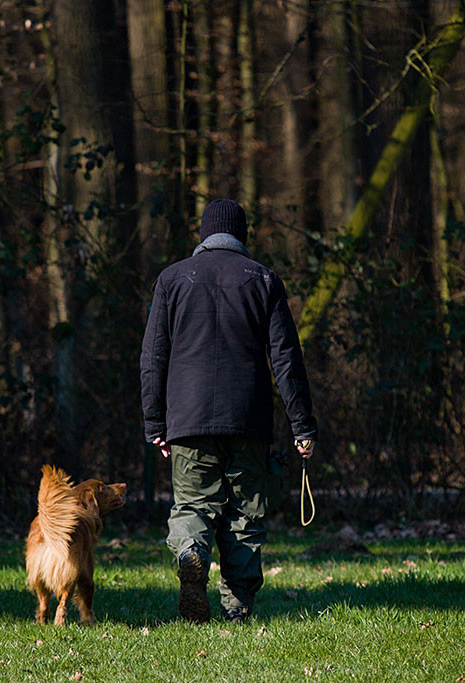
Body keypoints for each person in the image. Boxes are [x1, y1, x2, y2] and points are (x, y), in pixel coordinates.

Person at [140, 198, 318, 623]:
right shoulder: (263, 280)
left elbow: (152, 358)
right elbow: (286, 359)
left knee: (193, 506)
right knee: (244, 515)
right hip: (248, 419)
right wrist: (302, 425)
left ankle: (190, 552)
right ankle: (236, 610)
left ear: (203, 235)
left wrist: (154, 423)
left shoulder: (171, 279)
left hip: (187, 419)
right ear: (242, 236)